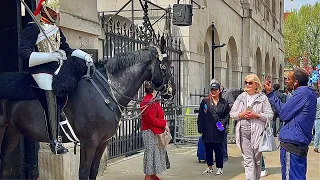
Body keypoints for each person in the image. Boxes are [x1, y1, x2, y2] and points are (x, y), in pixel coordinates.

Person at [18, 0, 93, 154]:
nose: (56, 14)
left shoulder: (57, 30)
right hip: (40, 71)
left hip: (57, 69)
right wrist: (51, 56)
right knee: (50, 90)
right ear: (44, 10)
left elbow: (68, 50)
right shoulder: (33, 28)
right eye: (53, 10)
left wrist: (84, 55)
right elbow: (24, 54)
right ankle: (54, 141)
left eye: (56, 11)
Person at [264, 68, 317, 180]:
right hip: (298, 141)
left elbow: (283, 113)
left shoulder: (302, 92)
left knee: (291, 177)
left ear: (296, 82)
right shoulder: (308, 93)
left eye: (288, 79)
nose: (286, 81)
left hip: (293, 142)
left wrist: (270, 94)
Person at [230, 74, 273, 180]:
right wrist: (241, 114)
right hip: (243, 132)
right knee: (248, 161)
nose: (247, 85)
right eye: (246, 82)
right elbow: (232, 113)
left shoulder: (263, 98)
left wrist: (257, 115)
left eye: (250, 83)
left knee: (257, 161)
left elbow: (270, 115)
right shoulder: (241, 97)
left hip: (258, 132)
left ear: (256, 84)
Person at [197, 82, 231, 175]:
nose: (213, 91)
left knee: (219, 148)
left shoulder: (224, 102)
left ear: (219, 91)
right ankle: (209, 167)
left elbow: (227, 115)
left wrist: (222, 125)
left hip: (219, 127)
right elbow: (201, 116)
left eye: (215, 89)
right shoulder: (205, 101)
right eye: (212, 89)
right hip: (207, 129)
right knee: (208, 148)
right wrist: (201, 128)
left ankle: (220, 167)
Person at [140, 81, 170, 180]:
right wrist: (164, 124)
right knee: (150, 155)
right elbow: (152, 120)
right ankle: (148, 176)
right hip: (150, 132)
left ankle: (152, 175)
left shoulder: (152, 100)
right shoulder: (148, 101)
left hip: (153, 131)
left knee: (154, 154)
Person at [210, 78, 234, 162]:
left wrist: (224, 106)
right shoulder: (212, 93)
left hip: (221, 121)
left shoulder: (227, 93)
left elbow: (232, 104)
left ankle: (224, 156)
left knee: (222, 138)